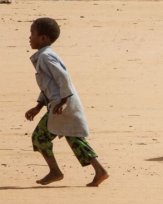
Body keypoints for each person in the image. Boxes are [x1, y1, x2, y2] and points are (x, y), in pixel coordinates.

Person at [25, 17, 109, 186]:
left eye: (32, 33)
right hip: (60, 103)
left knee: (40, 137)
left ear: (43, 38)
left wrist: (63, 101)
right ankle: (99, 170)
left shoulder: (46, 57)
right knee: (74, 138)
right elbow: (48, 85)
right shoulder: (45, 56)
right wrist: (38, 106)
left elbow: (63, 78)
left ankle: (55, 171)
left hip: (61, 105)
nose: (29, 37)